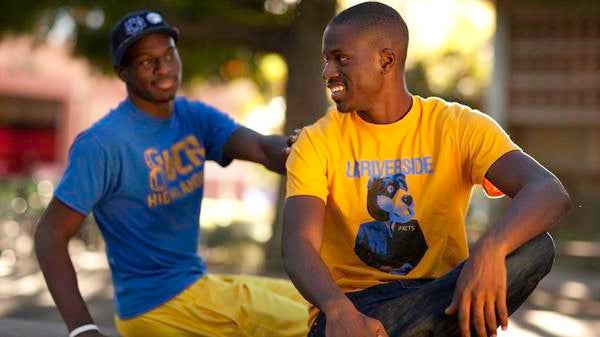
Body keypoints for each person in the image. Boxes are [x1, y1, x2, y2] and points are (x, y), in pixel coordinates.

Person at [282, 2, 571, 337]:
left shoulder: (459, 126)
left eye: (340, 58)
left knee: (534, 248)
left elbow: (548, 192)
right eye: (326, 60)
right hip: (357, 309)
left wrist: (490, 249)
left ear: (385, 60)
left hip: (440, 296)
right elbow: (297, 243)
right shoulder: (316, 142)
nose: (327, 72)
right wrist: (336, 308)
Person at [34, 10, 307, 337]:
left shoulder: (193, 117)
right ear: (123, 73)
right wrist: (82, 329)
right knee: (320, 320)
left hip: (194, 285)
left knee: (318, 299)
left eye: (169, 55)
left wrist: (305, 149)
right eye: (148, 62)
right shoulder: (102, 144)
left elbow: (264, 149)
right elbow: (49, 235)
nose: (164, 69)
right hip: (158, 305)